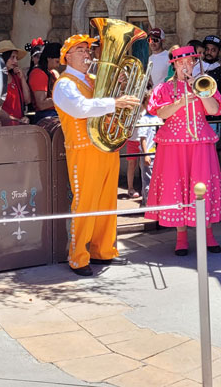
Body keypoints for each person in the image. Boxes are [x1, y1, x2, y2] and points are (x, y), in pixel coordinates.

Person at [53, 33, 140, 276]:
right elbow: (80, 109)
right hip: (83, 150)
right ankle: (78, 257)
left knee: (106, 201)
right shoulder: (65, 83)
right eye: (80, 49)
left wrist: (121, 85)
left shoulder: (93, 79)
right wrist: (115, 102)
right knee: (85, 203)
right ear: (67, 56)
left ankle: (103, 250)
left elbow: (105, 103)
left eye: (88, 49)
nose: (87, 53)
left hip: (105, 147)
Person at [146, 46, 221, 255]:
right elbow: (161, 113)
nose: (186, 66)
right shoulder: (164, 88)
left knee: (202, 184)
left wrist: (199, 91)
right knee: (177, 186)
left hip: (199, 141)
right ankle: (181, 237)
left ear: (195, 64)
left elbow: (213, 110)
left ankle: (208, 235)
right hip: (173, 143)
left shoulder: (205, 84)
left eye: (190, 62)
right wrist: (180, 102)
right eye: (181, 63)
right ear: (174, 65)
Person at [0, 40, 30, 125]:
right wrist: (15, 120)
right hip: (1, 128)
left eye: (16, 58)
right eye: (12, 57)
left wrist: (22, 79)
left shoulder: (15, 77)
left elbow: (27, 100)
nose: (16, 61)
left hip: (17, 126)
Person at [28, 42, 61, 120]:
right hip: (45, 116)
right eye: (57, 61)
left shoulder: (52, 73)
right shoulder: (38, 73)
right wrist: (62, 97)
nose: (58, 66)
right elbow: (41, 104)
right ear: (49, 58)